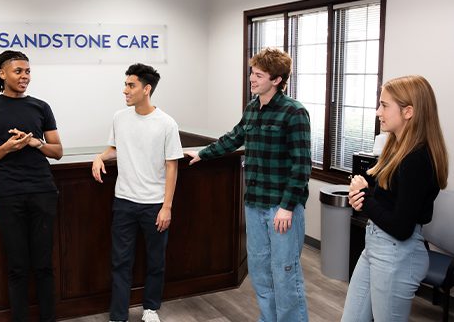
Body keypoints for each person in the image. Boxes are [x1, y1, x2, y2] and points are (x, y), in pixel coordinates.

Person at [186, 48, 311, 322]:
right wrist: (202, 153)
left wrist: (287, 207)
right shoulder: (252, 109)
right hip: (254, 204)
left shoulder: (294, 112)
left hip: (281, 209)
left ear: (277, 80)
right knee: (260, 272)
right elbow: (234, 137)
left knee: (285, 274)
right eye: (251, 73)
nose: (251, 79)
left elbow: (301, 166)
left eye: (258, 75)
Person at [341, 75, 448, 322]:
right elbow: (385, 196)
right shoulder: (395, 149)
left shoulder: (417, 159)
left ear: (408, 111)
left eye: (384, 105)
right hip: (377, 246)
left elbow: (401, 227)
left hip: (397, 254)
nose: (378, 111)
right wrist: (361, 192)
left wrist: (365, 199)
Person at [0, 50, 63, 322]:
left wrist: (36, 143)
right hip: (9, 194)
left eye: (27, 71)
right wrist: (7, 147)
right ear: (2, 73)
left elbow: (58, 151)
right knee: (18, 266)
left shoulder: (41, 107)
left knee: (44, 265)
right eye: (18, 71)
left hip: (43, 191)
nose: (25, 77)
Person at [92, 63, 184, 322]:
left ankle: (150, 308)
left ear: (147, 89)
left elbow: (172, 166)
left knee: (156, 261)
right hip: (123, 201)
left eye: (130, 85)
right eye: (125, 84)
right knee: (120, 261)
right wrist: (99, 157)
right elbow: (114, 148)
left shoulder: (166, 123)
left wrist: (167, 207)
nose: (125, 90)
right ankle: (118, 315)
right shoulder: (119, 117)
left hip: (154, 204)